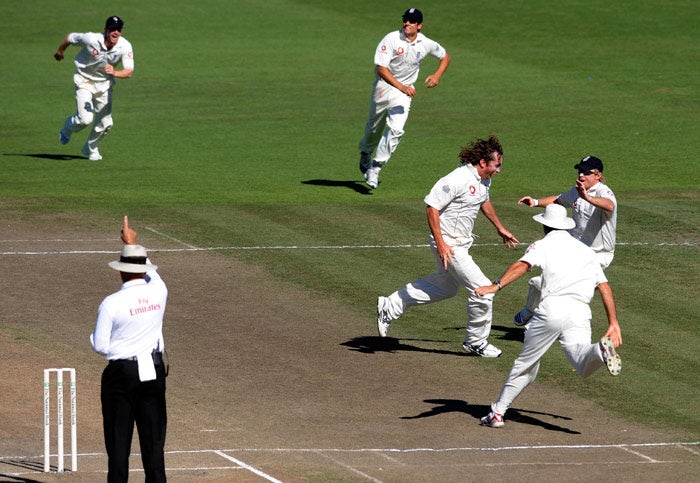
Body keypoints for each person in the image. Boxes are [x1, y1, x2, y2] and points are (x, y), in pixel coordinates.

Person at [475, 203, 622, 428]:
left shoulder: (542, 245)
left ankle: (497, 413)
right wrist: (614, 323)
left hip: (552, 309)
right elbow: (604, 286)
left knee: (525, 365)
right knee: (583, 362)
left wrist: (496, 286)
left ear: (545, 225)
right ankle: (599, 351)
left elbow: (522, 266)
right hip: (580, 312)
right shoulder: (586, 250)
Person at [376, 135, 519, 357]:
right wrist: (442, 244)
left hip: (461, 243)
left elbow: (484, 200)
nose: (498, 170)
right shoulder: (457, 178)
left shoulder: (484, 180)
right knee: (483, 289)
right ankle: (476, 342)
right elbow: (431, 207)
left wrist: (499, 227)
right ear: (483, 162)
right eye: (496, 165)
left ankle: (391, 305)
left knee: (446, 287)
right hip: (449, 244)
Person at [91, 216, 168, 482]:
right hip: (153, 371)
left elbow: (100, 345)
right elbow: (153, 274)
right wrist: (134, 243)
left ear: (120, 270)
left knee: (118, 447)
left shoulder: (111, 303)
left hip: (121, 375)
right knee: (154, 447)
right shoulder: (159, 291)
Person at [513, 155, 617, 326]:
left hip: (599, 254)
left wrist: (587, 198)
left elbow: (609, 205)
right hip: (575, 251)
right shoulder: (577, 190)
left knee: (565, 289)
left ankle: (545, 325)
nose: (581, 175)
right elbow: (558, 200)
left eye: (586, 172)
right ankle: (530, 311)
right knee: (539, 282)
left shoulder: (603, 191)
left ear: (598, 175)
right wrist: (536, 202)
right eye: (579, 171)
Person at [358, 8, 451, 189]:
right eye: (405, 20)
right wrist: (401, 87)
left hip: (404, 94)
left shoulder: (426, 43)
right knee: (374, 128)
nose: (407, 23)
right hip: (384, 89)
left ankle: (376, 166)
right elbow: (381, 69)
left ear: (419, 25)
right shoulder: (391, 39)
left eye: (411, 21)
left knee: (396, 129)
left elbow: (445, 56)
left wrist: (437, 76)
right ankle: (366, 152)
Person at [54, 16, 134, 161]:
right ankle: (67, 128)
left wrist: (115, 72)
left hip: (104, 85)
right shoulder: (91, 39)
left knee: (106, 123)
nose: (116, 32)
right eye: (113, 29)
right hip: (84, 81)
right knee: (85, 119)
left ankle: (90, 148)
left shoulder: (125, 46)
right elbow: (70, 37)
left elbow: (129, 71)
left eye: (119, 29)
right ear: (106, 30)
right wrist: (60, 52)